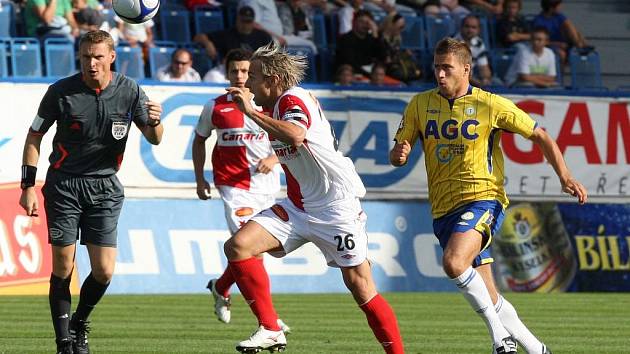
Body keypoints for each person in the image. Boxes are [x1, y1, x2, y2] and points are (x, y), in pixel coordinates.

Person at [390, 37, 587, 354]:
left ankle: (500, 339)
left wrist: (564, 175)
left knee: (454, 263)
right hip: (443, 209)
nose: (440, 75)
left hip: (484, 198)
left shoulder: (489, 104)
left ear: (465, 69)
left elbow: (540, 134)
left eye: (447, 68)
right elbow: (397, 153)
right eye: (437, 68)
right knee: (489, 294)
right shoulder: (419, 104)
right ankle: (537, 349)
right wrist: (399, 154)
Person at [223, 42, 404, 353]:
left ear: (274, 79)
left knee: (361, 287)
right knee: (238, 246)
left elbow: (295, 134)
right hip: (298, 206)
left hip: (336, 209)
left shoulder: (292, 98)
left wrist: (249, 111)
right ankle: (270, 328)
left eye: (253, 76)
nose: (247, 82)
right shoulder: (275, 105)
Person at [18, 30, 164, 354]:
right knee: (62, 265)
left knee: (104, 270)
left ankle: (79, 321)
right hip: (64, 185)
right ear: (79, 57)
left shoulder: (130, 91)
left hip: (105, 187)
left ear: (111, 56)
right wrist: (28, 185)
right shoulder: (60, 92)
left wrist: (156, 121)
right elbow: (34, 137)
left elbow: (155, 138)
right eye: (86, 57)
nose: (92, 63)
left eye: (98, 56)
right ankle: (63, 342)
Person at [191, 48, 290, 333]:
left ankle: (220, 287)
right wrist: (200, 179)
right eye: (235, 70)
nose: (240, 76)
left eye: (246, 71)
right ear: (227, 72)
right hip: (233, 187)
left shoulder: (267, 105)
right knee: (252, 254)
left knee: (255, 251)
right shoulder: (215, 106)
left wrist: (273, 159)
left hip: (267, 186)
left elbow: (286, 137)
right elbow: (199, 141)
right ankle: (270, 320)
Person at [193, 6, 272, 62]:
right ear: (237, 19)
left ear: (253, 21)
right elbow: (198, 37)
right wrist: (208, 43)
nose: (245, 25)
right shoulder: (227, 34)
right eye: (243, 21)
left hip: (255, 71)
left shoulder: (263, 36)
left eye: (248, 22)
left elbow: (270, 56)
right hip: (231, 70)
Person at [454, 14, 493, 87]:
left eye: (473, 27)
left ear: (478, 30)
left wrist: (486, 79)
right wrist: (478, 83)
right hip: (453, 80)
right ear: (461, 27)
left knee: (497, 83)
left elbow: (484, 68)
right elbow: (457, 72)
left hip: (470, 80)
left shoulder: (479, 43)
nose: (470, 30)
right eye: (467, 26)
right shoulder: (452, 42)